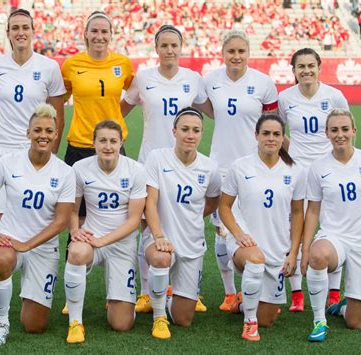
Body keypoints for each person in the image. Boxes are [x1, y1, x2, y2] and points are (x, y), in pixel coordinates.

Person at [0, 8, 65, 318]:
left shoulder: (48, 67)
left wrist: (51, 149)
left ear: (33, 30)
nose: (20, 32)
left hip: (35, 150)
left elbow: (58, 111)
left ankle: (34, 280)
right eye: (14, 27)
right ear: (7, 32)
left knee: (37, 215)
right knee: (3, 226)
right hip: (1, 151)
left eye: (25, 27)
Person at [121, 24, 210, 314]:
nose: (170, 50)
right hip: (149, 161)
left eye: (175, 45)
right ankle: (146, 291)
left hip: (183, 162)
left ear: (181, 48)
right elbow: (121, 108)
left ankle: (186, 289)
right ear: (156, 48)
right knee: (146, 222)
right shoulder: (144, 77)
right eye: (164, 45)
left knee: (182, 218)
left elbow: (211, 109)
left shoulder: (193, 79)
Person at [0, 104, 75, 346]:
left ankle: (24, 293)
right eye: (38, 130)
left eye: (49, 131)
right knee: (2, 259)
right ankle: (1, 322)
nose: (43, 135)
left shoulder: (65, 172)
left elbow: (61, 221)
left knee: (34, 326)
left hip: (41, 248)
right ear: (28, 132)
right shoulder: (9, 162)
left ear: (55, 134)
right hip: (9, 238)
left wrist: (27, 245)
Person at [60, 10, 134, 315]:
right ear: (86, 34)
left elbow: (128, 97)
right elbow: (60, 97)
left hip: (113, 148)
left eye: (105, 31)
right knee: (74, 218)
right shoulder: (71, 65)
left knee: (119, 215)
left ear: (111, 34)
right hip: (79, 147)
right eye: (95, 31)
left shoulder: (123, 64)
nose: (100, 36)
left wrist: (113, 126)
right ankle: (71, 291)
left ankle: (117, 286)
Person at [203, 30, 278, 312]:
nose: (236, 56)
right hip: (221, 166)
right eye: (231, 51)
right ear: (223, 53)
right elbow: (207, 109)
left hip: (256, 166)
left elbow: (273, 121)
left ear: (248, 53)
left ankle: (264, 287)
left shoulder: (263, 83)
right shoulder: (210, 80)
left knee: (256, 226)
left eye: (241, 51)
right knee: (222, 230)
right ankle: (230, 292)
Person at [219, 114, 305, 341]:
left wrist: (293, 252)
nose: (271, 138)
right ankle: (249, 323)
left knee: (268, 319)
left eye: (276, 134)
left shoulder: (295, 170)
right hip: (245, 244)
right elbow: (224, 207)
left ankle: (242, 302)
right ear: (256, 135)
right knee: (255, 260)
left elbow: (297, 213)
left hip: (276, 249)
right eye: (265, 133)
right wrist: (238, 234)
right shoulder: (240, 166)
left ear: (282, 138)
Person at [279, 48, 349, 312]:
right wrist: (294, 157)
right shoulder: (285, 98)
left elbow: (343, 129)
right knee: (294, 229)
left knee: (333, 228)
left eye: (311, 65)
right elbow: (280, 132)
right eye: (300, 67)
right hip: (298, 173)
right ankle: (297, 293)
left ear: (319, 67)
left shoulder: (334, 96)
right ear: (294, 70)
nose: (306, 70)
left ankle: (333, 291)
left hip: (329, 172)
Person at [64, 120, 146, 343]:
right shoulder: (80, 168)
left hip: (122, 244)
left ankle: (116, 298)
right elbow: (72, 210)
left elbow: (134, 220)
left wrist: (103, 241)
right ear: (94, 143)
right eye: (102, 141)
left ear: (121, 143)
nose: (108, 146)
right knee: (77, 253)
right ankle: (75, 322)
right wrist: (75, 231)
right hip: (91, 238)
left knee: (122, 325)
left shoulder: (136, 170)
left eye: (113, 141)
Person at [301, 109, 361, 342]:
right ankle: (319, 321)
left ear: (354, 131)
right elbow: (313, 209)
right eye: (334, 130)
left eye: (345, 129)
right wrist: (305, 250)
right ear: (327, 133)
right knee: (318, 255)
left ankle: (341, 307)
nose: (340, 134)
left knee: (355, 323)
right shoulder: (318, 167)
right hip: (334, 237)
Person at [143, 107, 221, 339]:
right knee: (160, 257)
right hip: (160, 237)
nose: (190, 135)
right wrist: (158, 235)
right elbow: (151, 202)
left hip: (191, 243)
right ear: (174, 131)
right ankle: (158, 316)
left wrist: (193, 216)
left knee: (184, 319)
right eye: (185, 129)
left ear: (201, 134)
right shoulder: (157, 158)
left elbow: (214, 201)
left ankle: (165, 298)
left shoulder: (210, 167)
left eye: (196, 130)